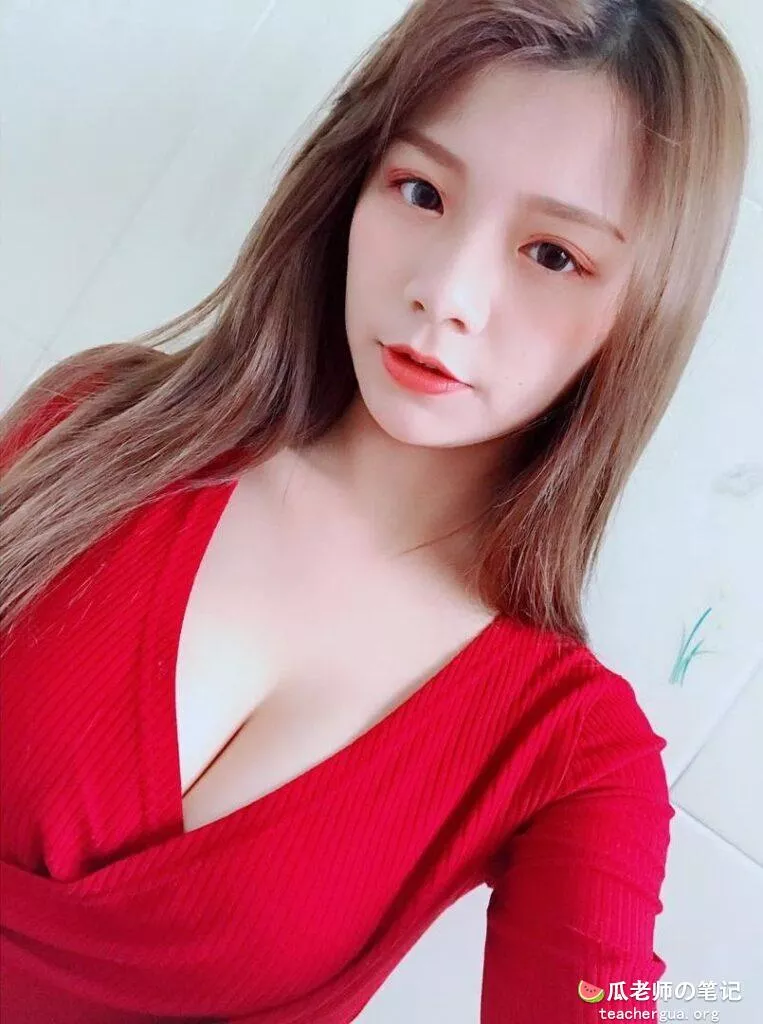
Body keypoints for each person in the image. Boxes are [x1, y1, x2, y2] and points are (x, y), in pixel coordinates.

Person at [0, 0, 749, 1021]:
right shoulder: (93, 431)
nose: (446, 292)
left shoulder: (571, 753)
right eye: (421, 191)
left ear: (642, 312)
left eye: (552, 254)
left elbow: (596, 998)